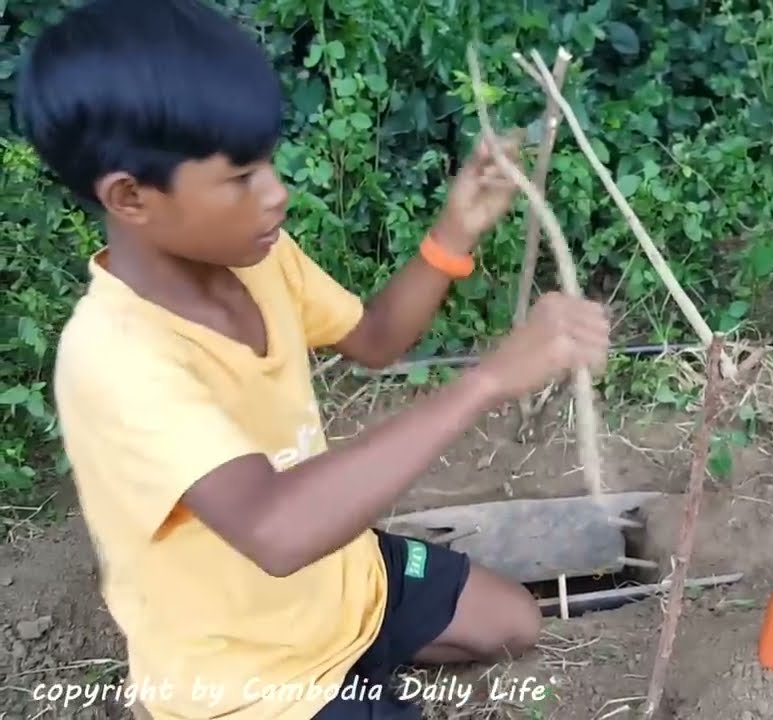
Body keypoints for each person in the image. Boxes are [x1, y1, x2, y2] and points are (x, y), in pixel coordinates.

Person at [15, 0, 611, 718]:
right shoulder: (115, 358)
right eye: (241, 177)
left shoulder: (258, 261)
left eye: (268, 162)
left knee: (516, 622)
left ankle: (363, 657)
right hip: (247, 674)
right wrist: (485, 381)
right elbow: (275, 531)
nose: (277, 194)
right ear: (131, 197)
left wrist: (455, 229)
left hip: (339, 575)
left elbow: (377, 338)